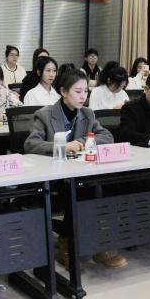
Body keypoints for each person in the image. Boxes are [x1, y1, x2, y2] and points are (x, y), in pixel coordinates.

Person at [24, 69, 125, 269]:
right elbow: (30, 144)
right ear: (63, 91)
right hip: (52, 176)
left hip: (80, 172)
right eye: (78, 92)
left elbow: (107, 136)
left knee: (95, 186)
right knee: (82, 189)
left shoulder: (87, 113)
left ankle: (96, 244)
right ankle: (67, 243)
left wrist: (82, 141)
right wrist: (62, 146)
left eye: (85, 91)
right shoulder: (44, 114)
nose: (83, 96)